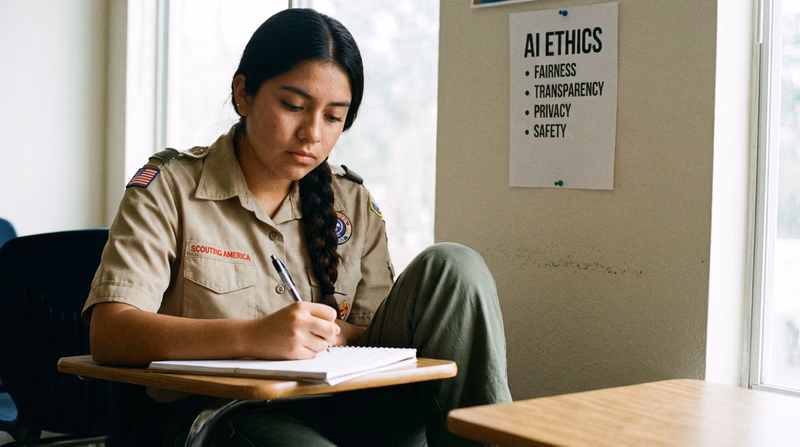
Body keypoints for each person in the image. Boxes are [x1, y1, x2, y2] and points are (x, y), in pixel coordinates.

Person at [83, 8, 511, 446]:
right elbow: (111, 333)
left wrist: (342, 335)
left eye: (333, 117)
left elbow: (379, 340)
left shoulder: (353, 202)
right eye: (293, 106)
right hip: (223, 416)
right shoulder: (169, 188)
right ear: (243, 93)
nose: (312, 133)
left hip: (349, 407)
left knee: (455, 265)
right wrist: (255, 336)